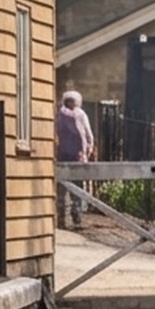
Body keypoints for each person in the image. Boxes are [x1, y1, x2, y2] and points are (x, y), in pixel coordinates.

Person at [55, 90, 95, 230]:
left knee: (67, 189)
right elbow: (89, 136)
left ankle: (68, 217)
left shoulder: (61, 115)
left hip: (66, 156)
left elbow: (88, 135)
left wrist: (86, 151)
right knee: (71, 189)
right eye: (69, 101)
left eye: (72, 101)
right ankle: (70, 217)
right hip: (73, 157)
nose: (71, 104)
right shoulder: (77, 115)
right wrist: (87, 152)